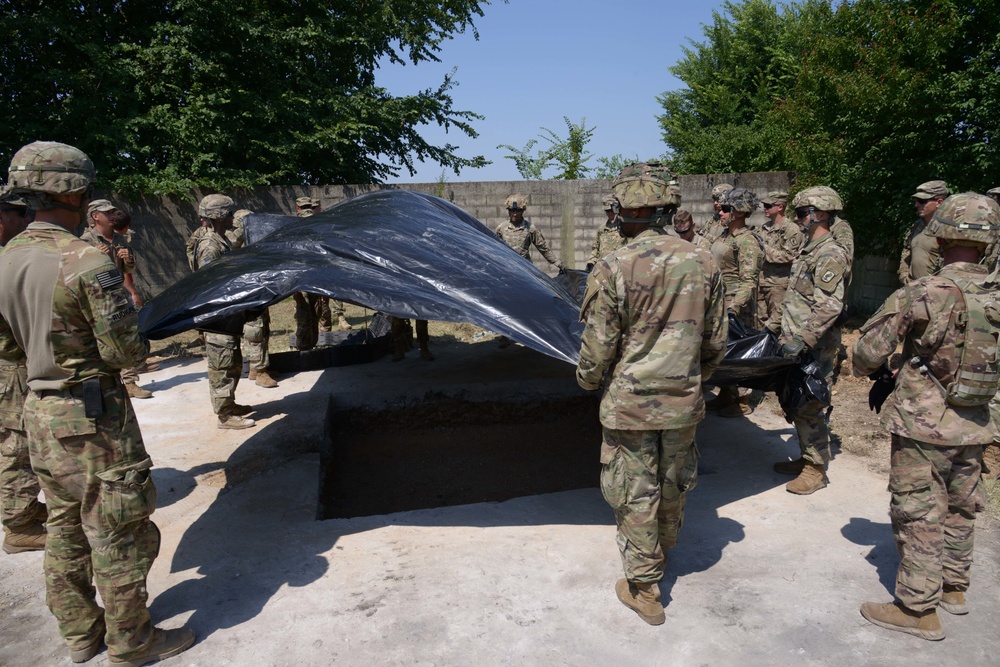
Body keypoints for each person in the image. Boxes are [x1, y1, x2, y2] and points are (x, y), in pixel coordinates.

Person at [0, 141, 194, 664]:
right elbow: (123, 350)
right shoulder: (84, 260)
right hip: (93, 417)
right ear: (76, 190)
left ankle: (81, 635)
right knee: (119, 529)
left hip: (39, 414)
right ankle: (132, 641)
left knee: (63, 527)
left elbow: (7, 348)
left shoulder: (6, 259)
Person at [577, 163, 727, 626]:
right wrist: (690, 376)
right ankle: (664, 550)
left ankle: (644, 587)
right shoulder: (704, 261)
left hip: (631, 403)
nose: (617, 216)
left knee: (635, 490)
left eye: (621, 208)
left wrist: (587, 380)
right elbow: (716, 341)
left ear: (631, 210)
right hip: (682, 400)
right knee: (672, 481)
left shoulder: (615, 265)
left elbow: (599, 344)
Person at [853, 192, 1000, 641]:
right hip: (975, 420)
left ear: (939, 236)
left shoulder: (924, 292)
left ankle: (918, 608)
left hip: (924, 423)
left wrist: (892, 362)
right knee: (962, 504)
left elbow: (865, 353)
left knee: (918, 509)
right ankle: (954, 588)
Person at [773, 186, 850, 495]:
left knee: (811, 403)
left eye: (802, 213)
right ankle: (807, 456)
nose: (797, 218)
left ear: (821, 214)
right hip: (798, 340)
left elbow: (829, 305)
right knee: (798, 400)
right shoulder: (810, 249)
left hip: (814, 344)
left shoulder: (830, 252)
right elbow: (797, 297)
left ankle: (816, 469)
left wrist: (802, 338)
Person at [0, 189, 46, 555]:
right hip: (9, 371)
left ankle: (26, 510)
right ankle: (20, 527)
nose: (27, 221)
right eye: (20, 214)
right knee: (17, 449)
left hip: (11, 366)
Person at [192, 194, 256, 429]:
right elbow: (209, 283)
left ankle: (229, 403)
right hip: (216, 317)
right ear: (219, 216)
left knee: (233, 362)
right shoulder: (210, 245)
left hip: (226, 314)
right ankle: (224, 416)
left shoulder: (221, 240)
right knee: (221, 365)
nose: (232, 218)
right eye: (229, 213)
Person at [80, 201, 153, 400]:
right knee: (102, 342)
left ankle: (130, 382)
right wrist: (95, 257)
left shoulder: (119, 239)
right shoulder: (85, 241)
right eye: (107, 212)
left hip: (119, 297)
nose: (112, 215)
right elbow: (79, 274)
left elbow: (128, 270)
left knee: (126, 336)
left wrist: (128, 259)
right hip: (97, 299)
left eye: (113, 212)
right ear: (95, 216)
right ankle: (106, 382)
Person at [706, 187, 763, 417]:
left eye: (726, 209)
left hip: (736, 308)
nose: (721, 212)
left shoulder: (747, 241)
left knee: (740, 354)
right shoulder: (723, 236)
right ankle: (726, 395)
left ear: (739, 212)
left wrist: (734, 308)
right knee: (724, 353)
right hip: (719, 303)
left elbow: (749, 280)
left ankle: (742, 401)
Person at [227, 210, 278, 388]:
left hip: (259, 289)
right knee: (254, 330)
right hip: (247, 292)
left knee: (263, 328)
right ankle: (260, 372)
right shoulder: (232, 240)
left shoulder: (251, 240)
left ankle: (258, 369)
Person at [755, 191, 803, 332]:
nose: (765, 208)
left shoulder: (791, 229)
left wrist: (764, 249)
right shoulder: (764, 228)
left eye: (769, 205)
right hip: (762, 281)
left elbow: (789, 256)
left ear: (780, 207)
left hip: (778, 284)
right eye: (764, 205)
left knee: (777, 324)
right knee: (760, 323)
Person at [495, 193, 563, 270]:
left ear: (523, 211)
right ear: (508, 211)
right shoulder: (501, 228)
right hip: (507, 268)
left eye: (518, 211)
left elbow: (543, 248)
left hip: (525, 269)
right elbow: (494, 248)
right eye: (512, 211)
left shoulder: (530, 228)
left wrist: (558, 264)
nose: (515, 214)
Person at [899, 180, 947, 286]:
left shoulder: (948, 230)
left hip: (936, 291)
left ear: (939, 202)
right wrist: (904, 275)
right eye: (916, 200)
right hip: (913, 289)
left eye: (922, 201)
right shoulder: (916, 226)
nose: (916, 205)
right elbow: (907, 252)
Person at [586, 194, 624, 271]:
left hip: (619, 270)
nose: (609, 213)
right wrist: (591, 262)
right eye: (606, 211)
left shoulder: (624, 229)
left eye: (610, 210)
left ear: (616, 209)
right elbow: (595, 248)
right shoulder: (602, 229)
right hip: (603, 269)